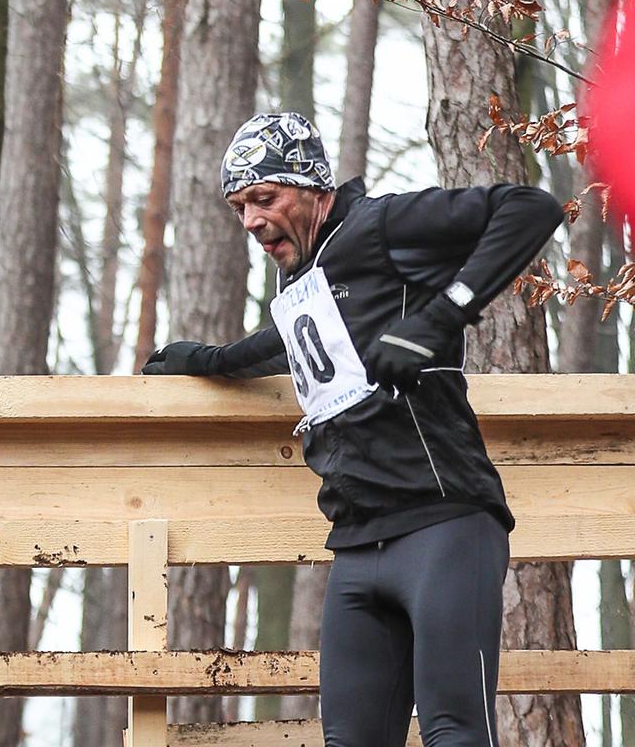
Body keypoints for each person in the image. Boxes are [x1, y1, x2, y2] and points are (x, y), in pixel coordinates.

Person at [142, 112, 562, 747]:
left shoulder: (382, 225)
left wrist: (439, 317)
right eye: (239, 207)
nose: (252, 221)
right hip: (358, 544)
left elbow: (531, 209)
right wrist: (213, 360)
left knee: (454, 733)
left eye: (264, 197)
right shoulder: (303, 272)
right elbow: (308, 341)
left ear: (312, 187)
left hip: (443, 524)